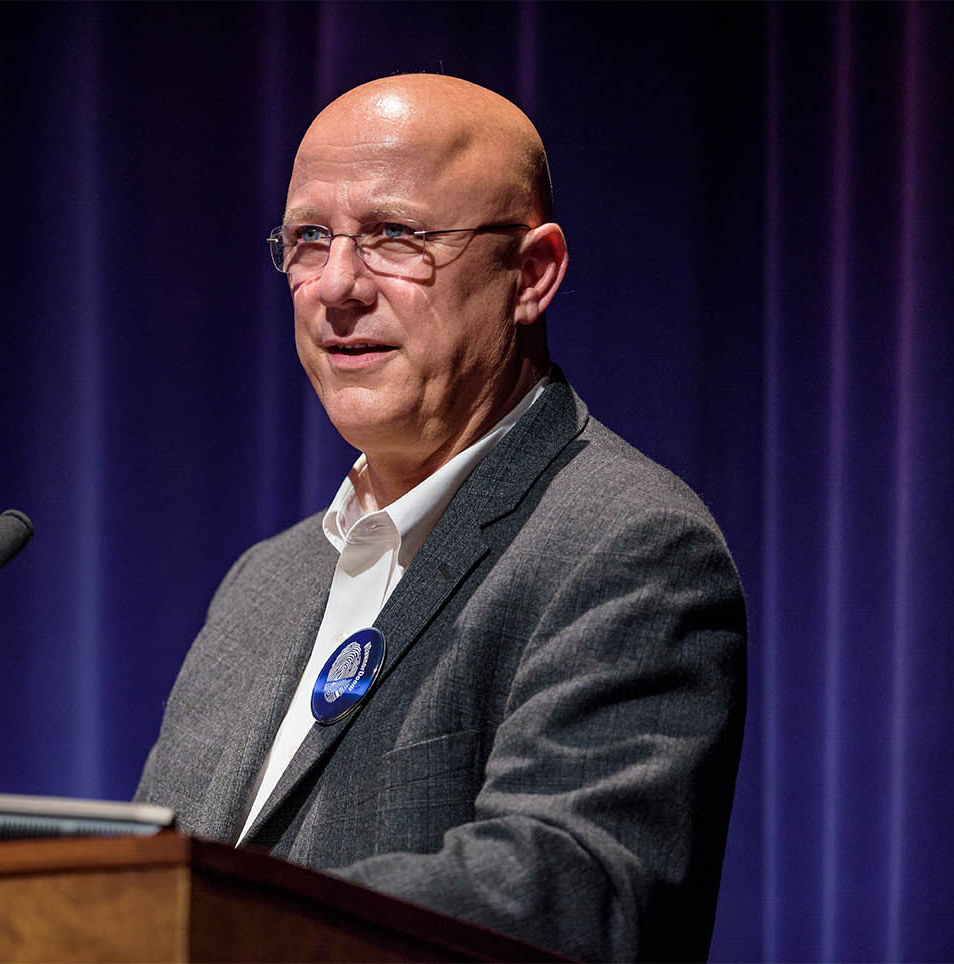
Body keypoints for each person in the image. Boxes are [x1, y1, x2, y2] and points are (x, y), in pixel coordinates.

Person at [135, 74, 745, 962]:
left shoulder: (628, 548)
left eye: (395, 237)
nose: (337, 285)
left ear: (531, 274)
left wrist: (214, 922)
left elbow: (569, 895)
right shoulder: (261, 586)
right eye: (311, 238)